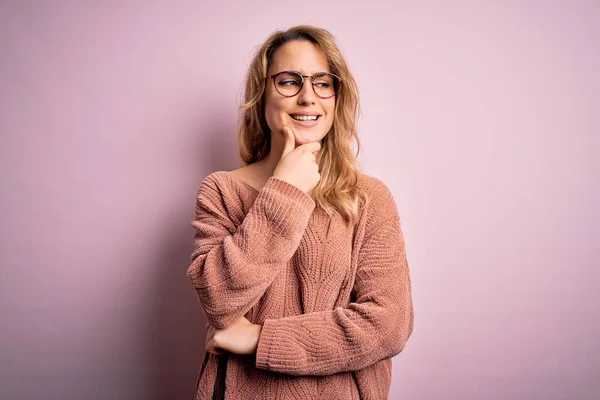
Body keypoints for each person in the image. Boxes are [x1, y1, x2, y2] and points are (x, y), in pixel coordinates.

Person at [186, 25, 414, 400]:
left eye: (323, 83)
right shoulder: (221, 191)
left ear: (337, 97)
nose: (308, 97)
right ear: (262, 95)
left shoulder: (370, 197)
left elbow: (388, 325)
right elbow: (219, 301)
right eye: (289, 81)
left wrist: (260, 339)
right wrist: (286, 192)